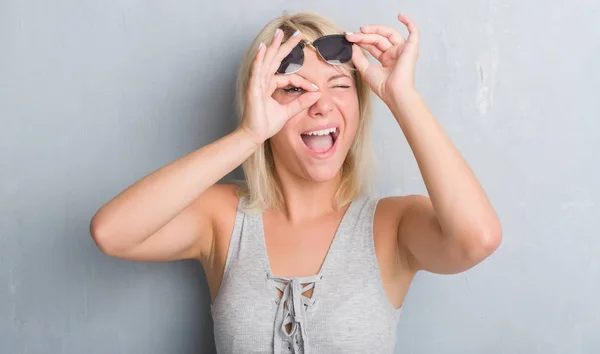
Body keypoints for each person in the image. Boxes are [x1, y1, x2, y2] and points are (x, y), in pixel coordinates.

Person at [90, 10, 502, 354]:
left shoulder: (390, 225)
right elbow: (113, 233)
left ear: (359, 107)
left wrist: (402, 97)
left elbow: (478, 238)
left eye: (339, 85)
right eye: (294, 89)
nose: (320, 104)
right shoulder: (222, 217)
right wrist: (248, 135)